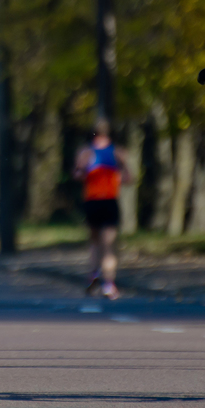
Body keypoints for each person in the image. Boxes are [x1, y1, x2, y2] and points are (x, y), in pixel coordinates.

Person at [73, 119, 132, 300]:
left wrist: (87, 174)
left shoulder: (85, 152)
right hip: (110, 201)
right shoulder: (118, 152)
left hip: (92, 201)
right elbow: (129, 178)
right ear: (109, 133)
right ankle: (109, 284)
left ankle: (93, 273)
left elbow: (77, 175)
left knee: (94, 242)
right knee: (109, 246)